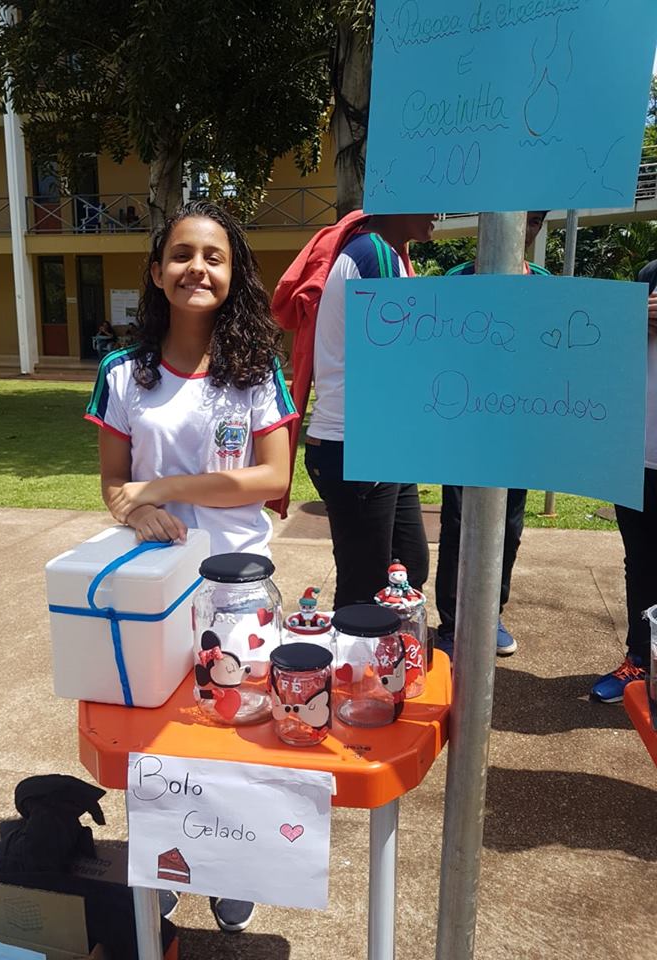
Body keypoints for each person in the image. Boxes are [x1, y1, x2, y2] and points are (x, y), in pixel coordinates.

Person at [84, 198, 297, 931]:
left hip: (240, 587)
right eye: (181, 254)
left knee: (240, 722)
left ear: (234, 275)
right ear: (156, 272)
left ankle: (233, 865)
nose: (196, 268)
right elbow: (115, 484)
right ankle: (170, 858)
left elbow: (272, 478)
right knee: (160, 730)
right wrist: (135, 512)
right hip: (154, 585)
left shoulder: (256, 370)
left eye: (214, 257)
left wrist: (166, 486)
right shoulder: (123, 373)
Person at [300, 212, 437, 609]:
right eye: (431, 201)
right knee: (364, 590)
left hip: (375, 445)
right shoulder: (375, 255)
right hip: (358, 444)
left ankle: (388, 645)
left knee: (409, 565)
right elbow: (397, 356)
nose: (438, 214)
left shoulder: (380, 253)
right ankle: (356, 650)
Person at [434, 211, 550, 658]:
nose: (527, 229)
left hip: (518, 434)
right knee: (458, 524)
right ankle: (452, 623)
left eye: (536, 221)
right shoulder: (458, 280)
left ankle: (490, 614)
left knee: (510, 527)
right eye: (522, 218)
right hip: (463, 432)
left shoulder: (544, 285)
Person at [590, 260, 657, 702]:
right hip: (638, 453)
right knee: (642, 562)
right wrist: (631, 323)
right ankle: (641, 659)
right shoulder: (649, 274)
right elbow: (610, 352)